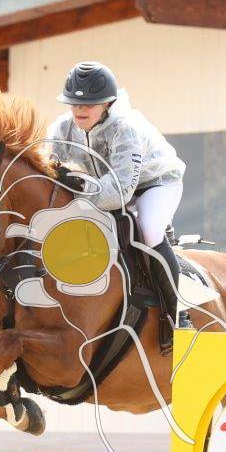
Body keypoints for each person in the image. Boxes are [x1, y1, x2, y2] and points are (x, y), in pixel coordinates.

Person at [45, 61, 188, 351]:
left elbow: (120, 192)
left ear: (108, 103)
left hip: (154, 184)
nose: (79, 110)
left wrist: (79, 191)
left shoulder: (125, 129)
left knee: (148, 230)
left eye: (89, 104)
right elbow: (47, 173)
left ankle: (177, 315)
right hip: (104, 187)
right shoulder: (61, 129)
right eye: (74, 103)